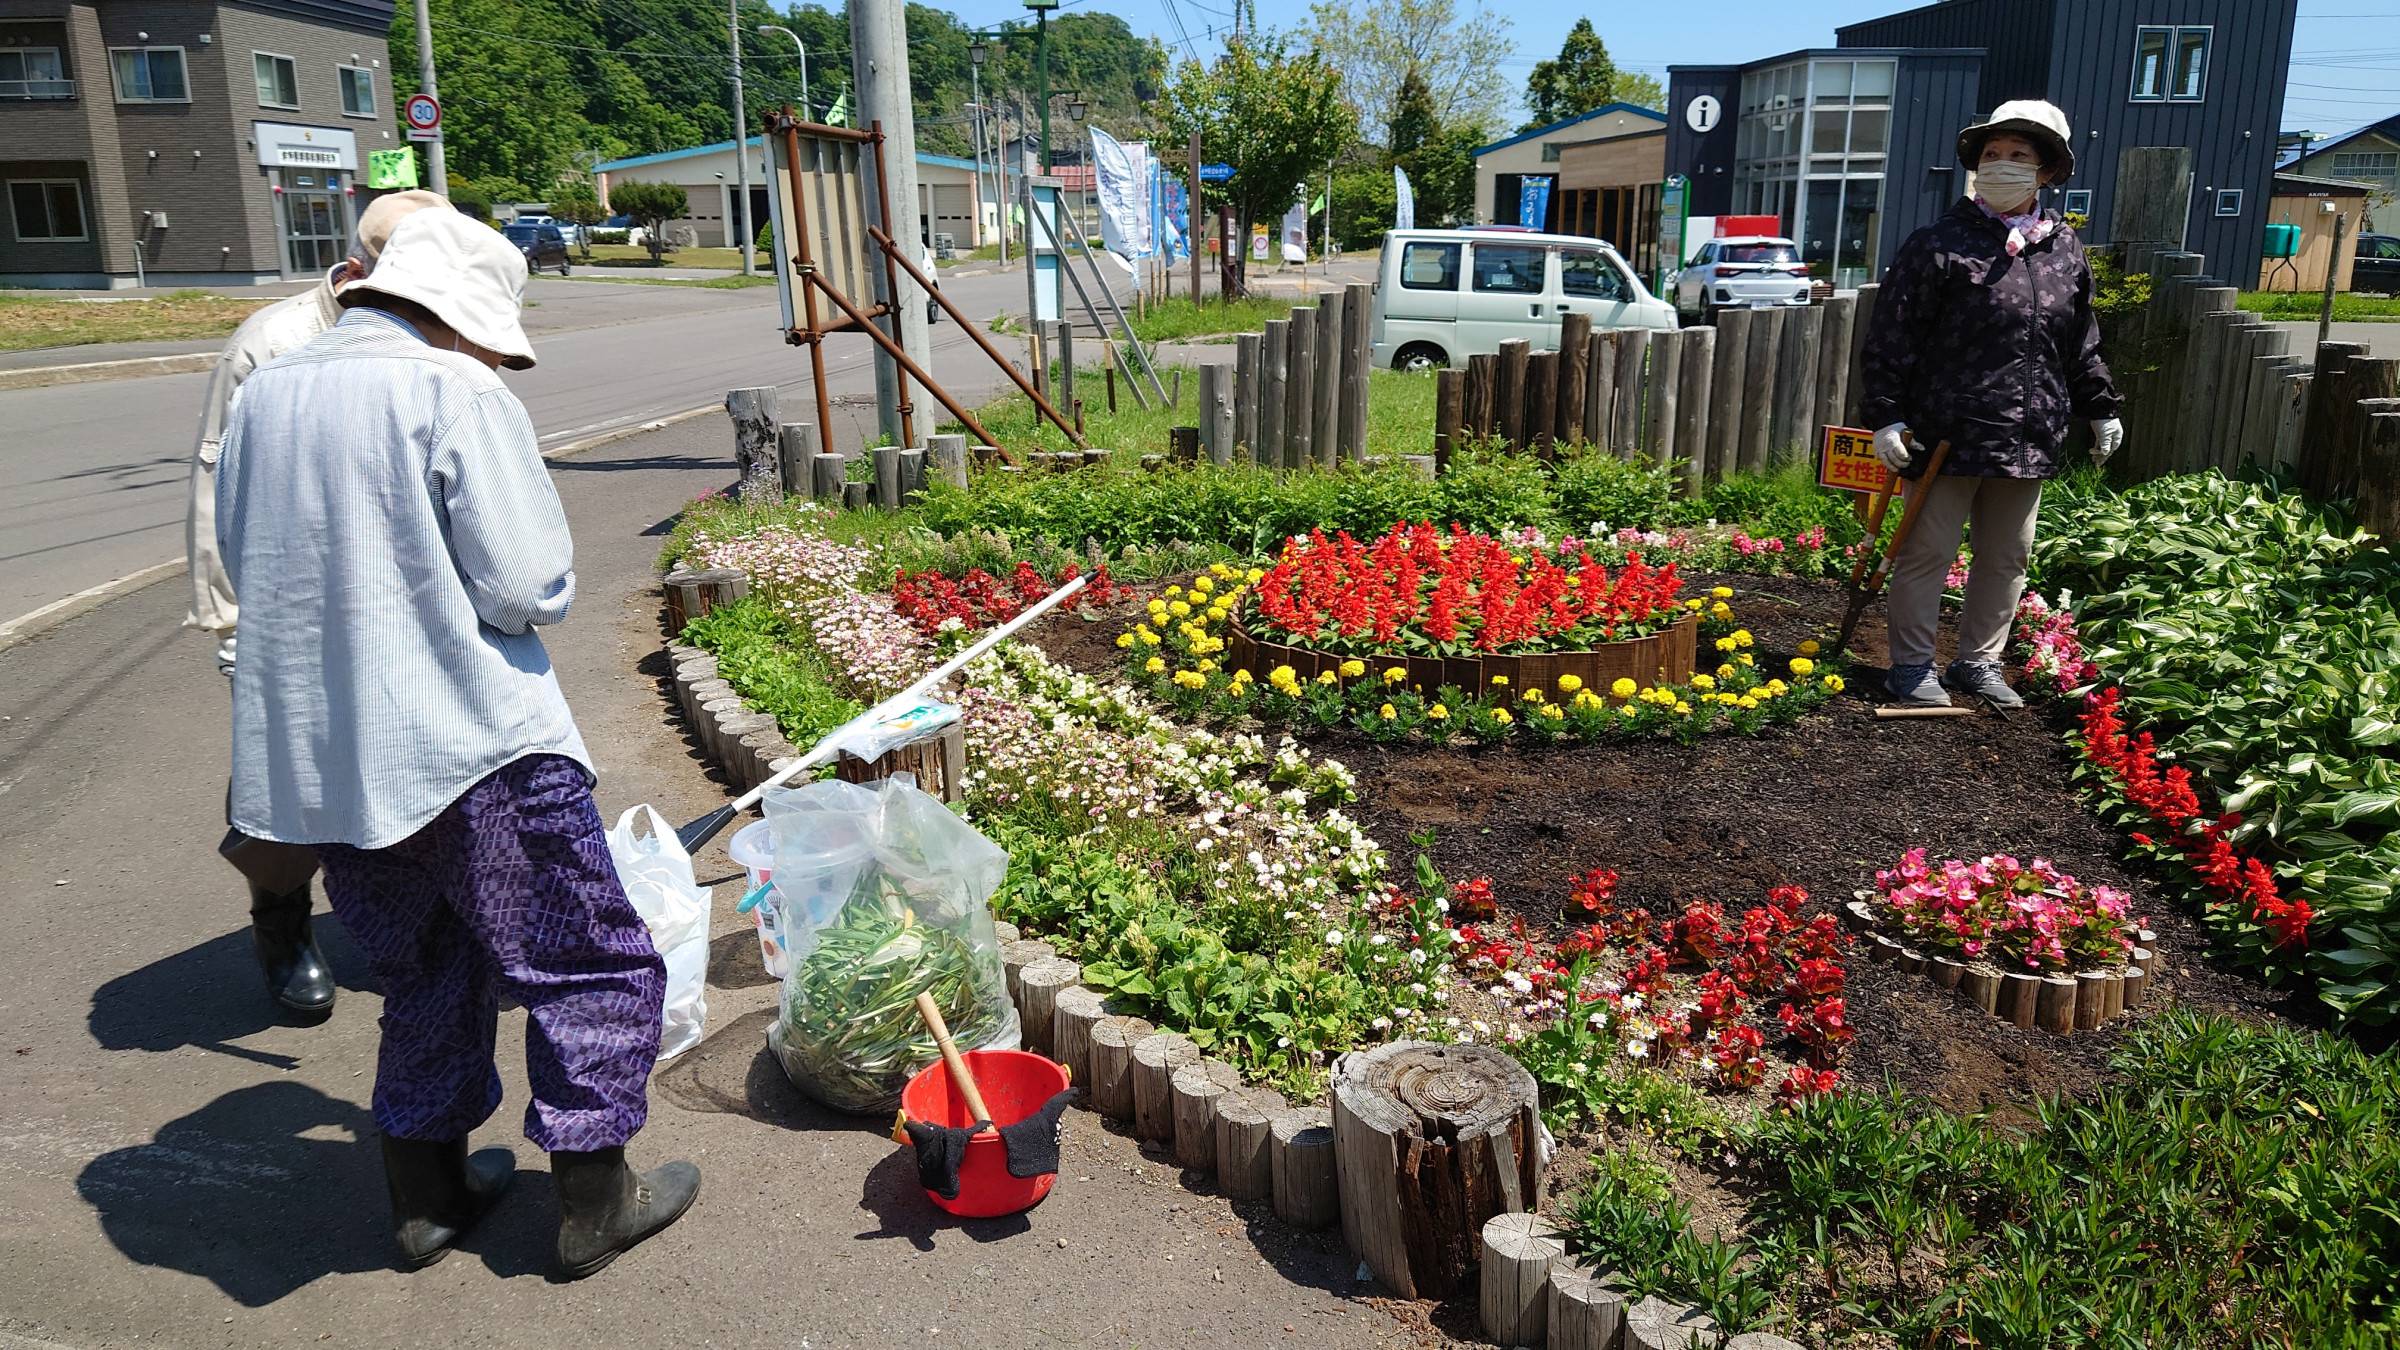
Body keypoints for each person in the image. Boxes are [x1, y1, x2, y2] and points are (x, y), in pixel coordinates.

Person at [214, 208, 700, 1277]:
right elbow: (528, 586)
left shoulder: (270, 391)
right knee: (587, 963)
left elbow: (243, 556)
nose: (494, 353)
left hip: (330, 759)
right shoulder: (454, 389)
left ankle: (426, 1199)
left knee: (423, 967)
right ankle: (594, 1198)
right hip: (476, 746)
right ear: (457, 313)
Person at [185, 188, 450, 1017]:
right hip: (293, 609)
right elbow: (217, 493)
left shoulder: (436, 324)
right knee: (290, 783)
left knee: (419, 766)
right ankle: (283, 923)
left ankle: (418, 924)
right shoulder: (274, 344)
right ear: (363, 265)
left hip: (402, 602)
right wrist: (237, 626)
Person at [1858, 100, 2123, 709]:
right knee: (1928, 551)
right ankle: (1911, 666)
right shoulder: (1937, 244)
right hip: (1945, 433)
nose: (2001, 165)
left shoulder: (2065, 250)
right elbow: (1892, 336)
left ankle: (1977, 662)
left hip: (2029, 433)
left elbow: (2080, 340)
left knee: (2008, 556)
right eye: (1991, 155)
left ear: (2049, 170)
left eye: (2019, 156)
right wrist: (1887, 414)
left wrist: (2101, 406)